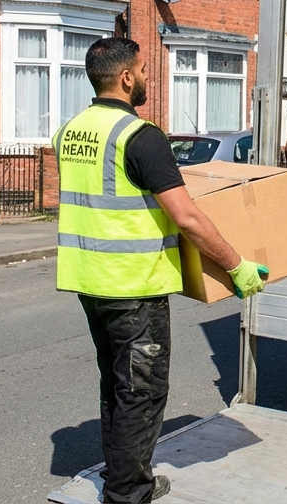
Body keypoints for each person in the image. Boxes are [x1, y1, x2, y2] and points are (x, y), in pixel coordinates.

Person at [56, 37, 267, 504]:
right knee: (142, 392)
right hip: (134, 287)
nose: (148, 79)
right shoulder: (140, 135)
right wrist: (236, 266)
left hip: (89, 281)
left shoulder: (70, 131)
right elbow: (187, 216)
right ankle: (128, 492)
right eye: (145, 70)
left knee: (116, 385)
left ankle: (125, 479)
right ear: (126, 77)